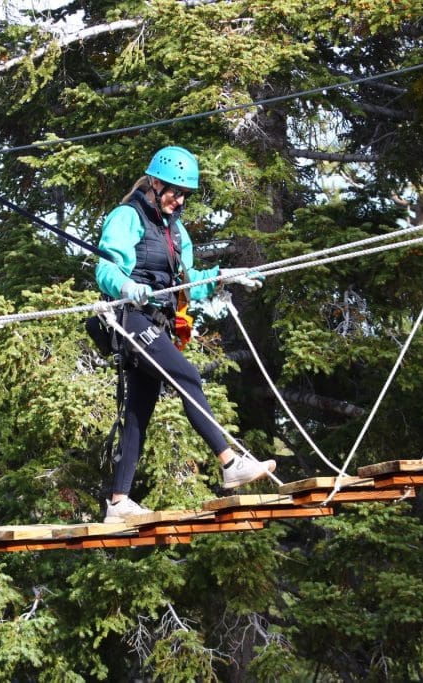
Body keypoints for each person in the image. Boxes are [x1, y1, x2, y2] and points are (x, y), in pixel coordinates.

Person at [95, 145, 276, 523]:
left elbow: (186, 285)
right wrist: (126, 286)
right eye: (175, 192)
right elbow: (105, 269)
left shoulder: (176, 233)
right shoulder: (126, 218)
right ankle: (229, 463)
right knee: (187, 377)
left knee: (139, 413)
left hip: (155, 321)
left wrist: (225, 277)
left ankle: (117, 503)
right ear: (155, 183)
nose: (179, 201)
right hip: (129, 317)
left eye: (184, 195)